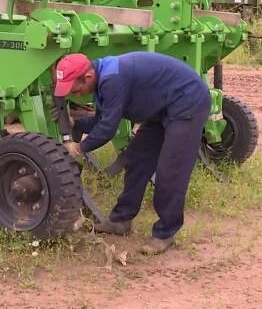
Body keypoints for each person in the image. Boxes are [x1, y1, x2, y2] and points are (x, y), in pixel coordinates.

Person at [53, 51, 211, 255]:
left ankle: (165, 233)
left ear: (88, 77)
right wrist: (76, 123)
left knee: (170, 170)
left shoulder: (112, 80)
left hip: (187, 102)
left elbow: (107, 129)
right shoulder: (102, 80)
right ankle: (121, 220)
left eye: (76, 88)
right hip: (161, 109)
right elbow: (101, 120)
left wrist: (79, 148)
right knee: (137, 159)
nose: (77, 94)